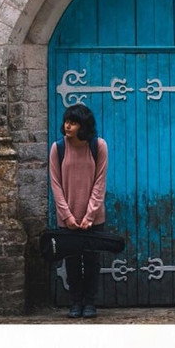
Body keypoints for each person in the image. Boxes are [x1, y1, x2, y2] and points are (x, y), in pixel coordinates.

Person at [49, 103, 108, 318]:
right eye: (67, 121)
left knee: (92, 262)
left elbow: (100, 182)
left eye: (73, 123)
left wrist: (89, 215)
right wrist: (67, 216)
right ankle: (75, 303)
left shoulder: (98, 146)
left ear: (84, 126)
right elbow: (55, 184)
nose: (67, 126)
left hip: (94, 218)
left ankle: (90, 303)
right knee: (72, 262)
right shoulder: (58, 148)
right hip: (68, 219)